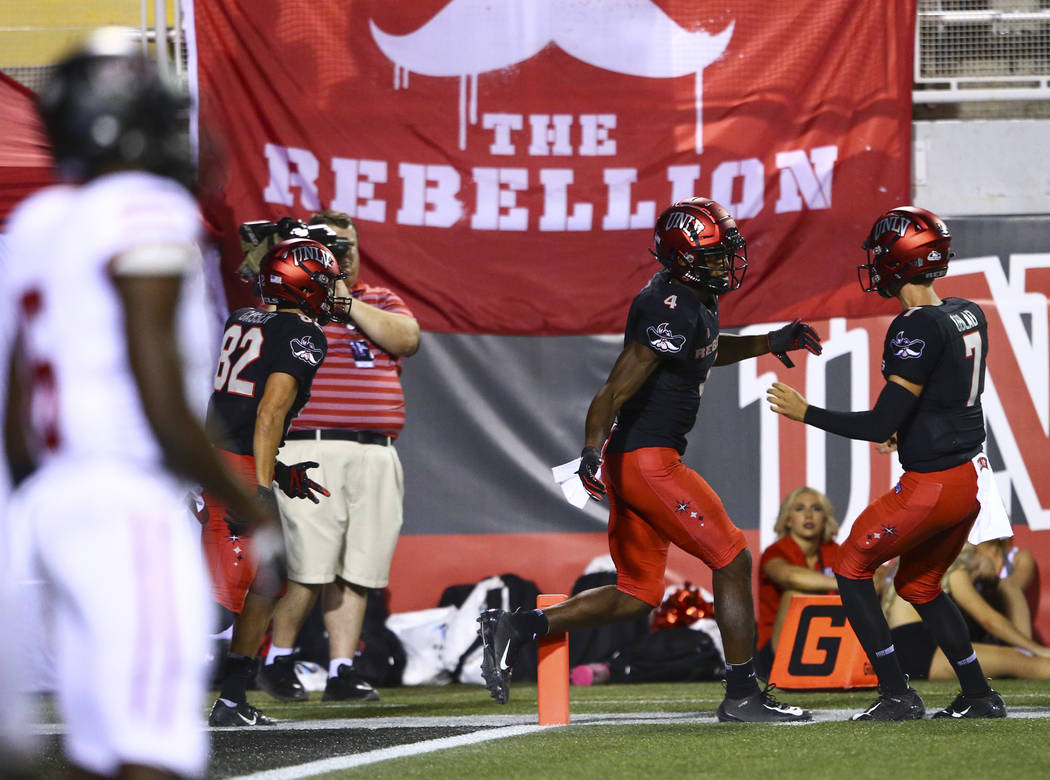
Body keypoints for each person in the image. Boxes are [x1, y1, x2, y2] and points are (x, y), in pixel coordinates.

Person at [0, 28, 273, 778]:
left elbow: (18, 407)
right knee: (152, 749)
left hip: (45, 501)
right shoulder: (144, 209)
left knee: (96, 750)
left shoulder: (38, 223)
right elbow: (156, 385)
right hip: (125, 495)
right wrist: (244, 502)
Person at [478, 197, 822, 722]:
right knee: (733, 560)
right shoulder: (672, 306)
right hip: (647, 460)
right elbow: (613, 391)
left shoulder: (691, 302)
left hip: (637, 458)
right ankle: (742, 695)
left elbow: (701, 349)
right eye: (713, 254)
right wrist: (590, 450)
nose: (725, 263)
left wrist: (768, 341)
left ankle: (518, 626)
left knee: (636, 594)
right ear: (684, 257)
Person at [767, 205, 1006, 720]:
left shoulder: (914, 326)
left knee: (850, 567)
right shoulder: (968, 311)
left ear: (901, 260)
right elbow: (947, 398)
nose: (875, 264)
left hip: (933, 484)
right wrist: (910, 430)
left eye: (881, 254)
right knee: (918, 585)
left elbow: (878, 424)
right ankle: (979, 695)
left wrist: (805, 411)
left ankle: (896, 693)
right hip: (966, 478)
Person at [257, 209, 420, 703]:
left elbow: (407, 339)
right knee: (308, 566)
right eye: (331, 245)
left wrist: (343, 300)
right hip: (312, 443)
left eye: (347, 245)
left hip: (376, 449)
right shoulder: (294, 301)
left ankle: (342, 669)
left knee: (359, 569)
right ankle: (276, 659)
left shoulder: (377, 299)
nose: (342, 253)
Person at [202, 236, 344, 726]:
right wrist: (261, 488)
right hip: (237, 471)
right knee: (216, 606)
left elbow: (235, 410)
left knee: (266, 583)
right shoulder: (302, 334)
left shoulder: (243, 317)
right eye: (324, 281)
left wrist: (278, 471)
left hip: (223, 458)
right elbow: (268, 413)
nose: (331, 290)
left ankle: (232, 699)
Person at [885, 543, 1050, 681]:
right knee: (1021, 661)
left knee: (1013, 662)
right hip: (921, 651)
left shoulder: (920, 558)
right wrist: (1036, 650)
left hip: (902, 650)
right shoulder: (953, 566)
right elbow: (987, 619)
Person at [756, 487, 840, 675]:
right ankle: (789, 668)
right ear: (787, 518)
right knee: (797, 592)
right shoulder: (775, 551)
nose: (809, 515)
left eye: (816, 509)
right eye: (800, 509)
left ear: (825, 518)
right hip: (773, 651)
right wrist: (846, 584)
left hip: (831, 643)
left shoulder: (834, 551)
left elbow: (873, 574)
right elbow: (790, 576)